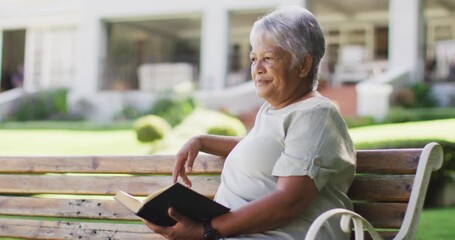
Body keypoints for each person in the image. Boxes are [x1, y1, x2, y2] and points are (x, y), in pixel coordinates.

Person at [143, 5, 356, 240]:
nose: (257, 69)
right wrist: (201, 141)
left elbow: (289, 201)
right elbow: (264, 150)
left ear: (304, 65)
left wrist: (206, 230)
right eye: (254, 58)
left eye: (268, 58)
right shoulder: (275, 110)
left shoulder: (315, 114)